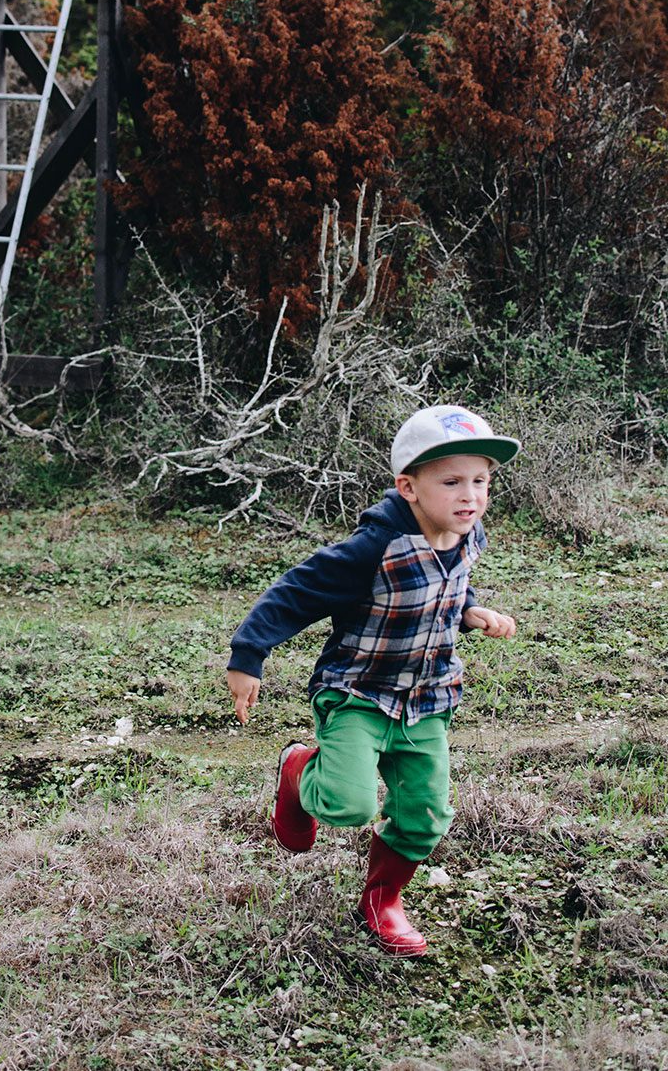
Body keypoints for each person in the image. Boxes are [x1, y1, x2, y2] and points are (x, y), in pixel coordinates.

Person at [225, 404, 520, 958]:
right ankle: (298, 771)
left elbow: (448, 588)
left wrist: (470, 612)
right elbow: (296, 591)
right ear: (408, 486)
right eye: (452, 482)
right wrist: (248, 655)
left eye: (480, 481)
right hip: (358, 693)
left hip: (427, 699)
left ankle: (382, 900)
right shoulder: (373, 548)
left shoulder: (466, 536)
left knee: (426, 815)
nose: (471, 496)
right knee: (348, 805)